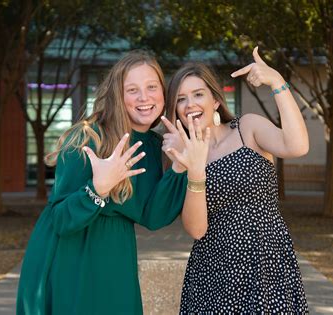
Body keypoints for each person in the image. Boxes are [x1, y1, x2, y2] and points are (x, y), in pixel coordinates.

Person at [16, 50, 205, 314]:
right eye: (132, 90)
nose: (144, 97)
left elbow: (153, 217)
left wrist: (177, 167)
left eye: (152, 87)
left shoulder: (154, 146)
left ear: (163, 93)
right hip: (70, 255)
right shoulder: (86, 138)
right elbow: (59, 219)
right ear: (118, 94)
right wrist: (97, 189)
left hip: (116, 253)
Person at [163, 47, 310, 313]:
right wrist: (193, 168)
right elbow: (196, 230)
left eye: (198, 94)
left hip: (267, 260)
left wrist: (277, 82)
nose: (190, 104)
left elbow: (297, 145)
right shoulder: (183, 155)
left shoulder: (248, 128)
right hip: (214, 270)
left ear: (216, 101)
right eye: (181, 99)